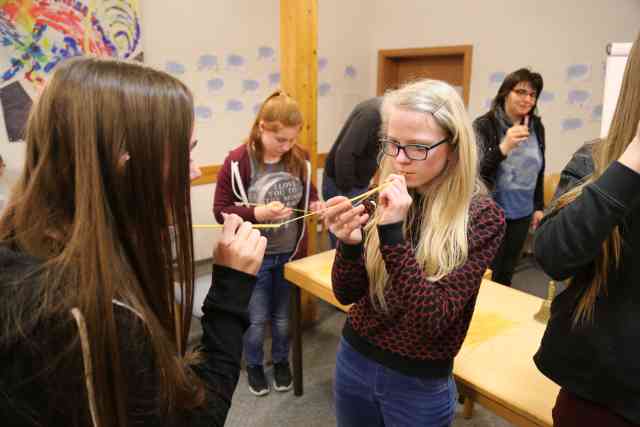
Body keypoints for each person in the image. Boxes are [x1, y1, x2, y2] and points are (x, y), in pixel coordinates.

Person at [0, 56, 267, 427]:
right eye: (186, 151)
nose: (193, 171)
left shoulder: (24, 243)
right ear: (123, 160)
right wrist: (231, 290)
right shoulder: (94, 315)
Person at [324, 79, 505, 426]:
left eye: (418, 148)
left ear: (453, 147)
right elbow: (347, 293)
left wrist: (392, 234)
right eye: (393, 144)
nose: (400, 160)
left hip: (418, 382)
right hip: (354, 358)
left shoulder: (482, 217)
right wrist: (349, 246)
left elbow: (431, 320)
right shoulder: (386, 190)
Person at [533, 33, 640, 427]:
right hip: (601, 397)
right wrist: (631, 160)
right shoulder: (597, 158)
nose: (527, 101)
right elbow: (552, 256)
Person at [213, 90, 323, 396]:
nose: (287, 146)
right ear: (262, 127)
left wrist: (315, 203)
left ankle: (281, 362)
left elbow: (309, 192)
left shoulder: (299, 158)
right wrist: (257, 212)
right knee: (257, 320)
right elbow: (221, 210)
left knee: (284, 318)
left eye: (291, 139)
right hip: (255, 257)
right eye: (280, 140)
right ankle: (255, 366)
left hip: (289, 254)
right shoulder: (237, 161)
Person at [473, 68, 546, 286]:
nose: (527, 99)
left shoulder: (536, 126)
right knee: (485, 274)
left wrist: (538, 205)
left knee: (506, 274)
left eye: (532, 95)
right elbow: (474, 172)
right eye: (521, 92)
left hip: (522, 214)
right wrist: (504, 147)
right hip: (490, 211)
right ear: (506, 92)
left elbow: (539, 168)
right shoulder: (484, 125)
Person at [322, 97, 382, 248]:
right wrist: (347, 192)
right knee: (344, 237)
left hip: (356, 183)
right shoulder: (372, 114)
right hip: (344, 184)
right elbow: (345, 152)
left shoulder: (377, 110)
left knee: (352, 236)